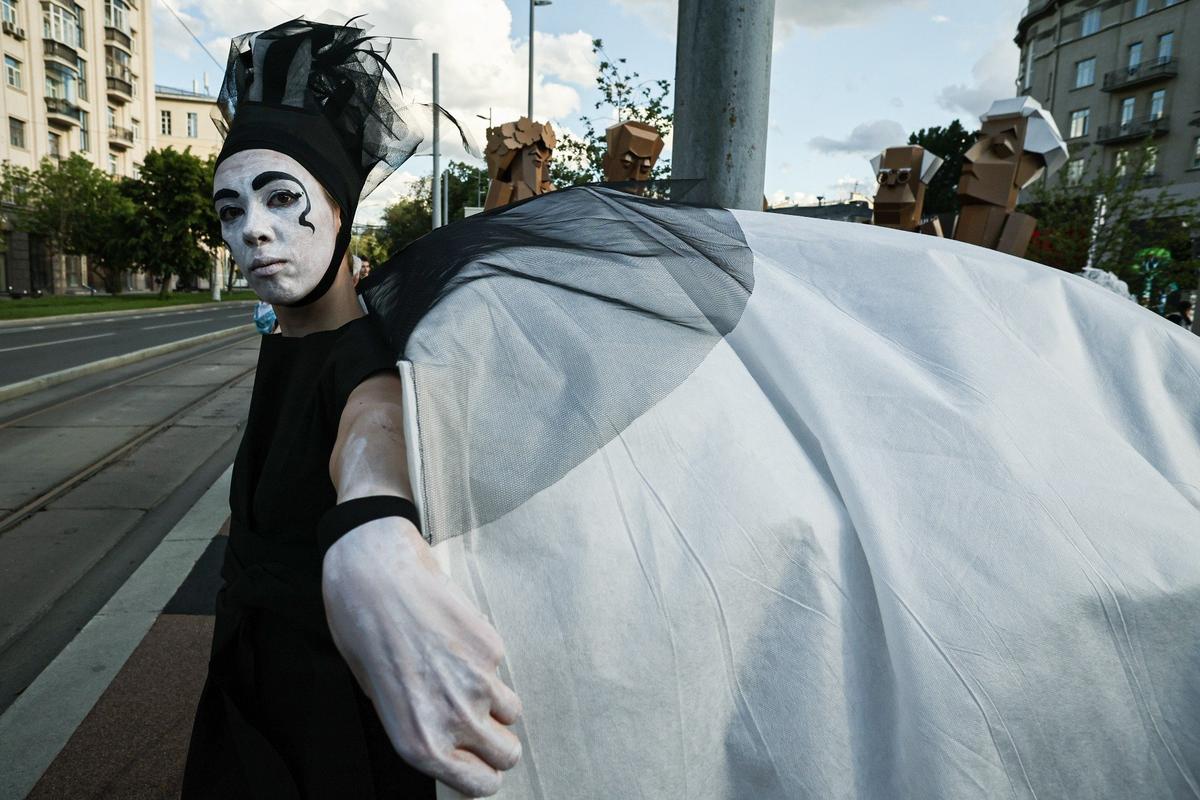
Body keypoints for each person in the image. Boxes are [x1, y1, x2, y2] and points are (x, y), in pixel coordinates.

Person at [183, 19, 520, 799]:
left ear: (339, 209)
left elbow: (372, 428)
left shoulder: (363, 359)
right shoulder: (286, 335)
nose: (253, 230)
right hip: (245, 681)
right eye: (231, 210)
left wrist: (375, 536)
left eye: (279, 197)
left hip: (325, 716)